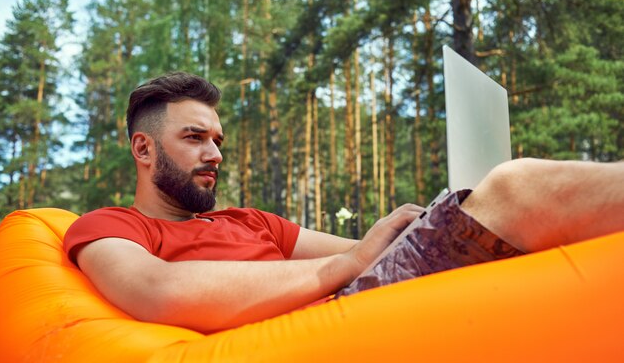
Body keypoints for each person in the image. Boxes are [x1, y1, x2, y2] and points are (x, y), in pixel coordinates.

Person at [64, 72, 624, 334]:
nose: (214, 153)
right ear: (143, 147)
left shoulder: (249, 221)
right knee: (516, 187)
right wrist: (345, 266)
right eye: (194, 138)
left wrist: (421, 221)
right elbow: (155, 293)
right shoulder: (109, 226)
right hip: (325, 324)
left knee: (500, 201)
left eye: (218, 141)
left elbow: (369, 251)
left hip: (360, 300)